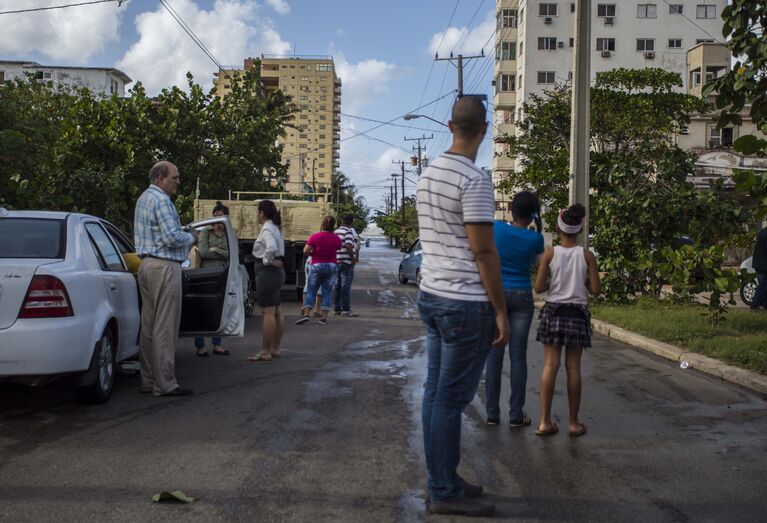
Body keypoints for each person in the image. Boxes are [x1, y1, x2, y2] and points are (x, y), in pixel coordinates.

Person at [415, 96, 509, 517]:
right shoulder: (474, 180)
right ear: (484, 130)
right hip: (464, 302)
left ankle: (444, 480)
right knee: (450, 400)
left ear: (450, 125)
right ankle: (443, 490)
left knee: (436, 394)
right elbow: (484, 252)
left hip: (432, 295)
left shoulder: (427, 175)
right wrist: (501, 310)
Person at [533, 203, 601, 437]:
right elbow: (595, 289)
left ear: (558, 229)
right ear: (580, 230)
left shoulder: (550, 254)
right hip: (577, 314)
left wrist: (555, 283)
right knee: (574, 368)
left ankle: (544, 422)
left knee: (550, 366)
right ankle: (573, 423)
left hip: (554, 312)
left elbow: (539, 287)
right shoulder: (586, 255)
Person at [134, 161, 198, 397]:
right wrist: (191, 236)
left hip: (146, 265)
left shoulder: (144, 198)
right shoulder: (162, 201)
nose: (177, 182)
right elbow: (172, 237)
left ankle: (148, 379)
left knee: (149, 327)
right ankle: (166, 383)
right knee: (165, 327)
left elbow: (160, 233)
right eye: (174, 178)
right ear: (161, 178)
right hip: (164, 267)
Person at [484, 191, 544, 427]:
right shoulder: (535, 239)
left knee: (494, 355)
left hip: (496, 296)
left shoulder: (495, 229)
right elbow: (535, 264)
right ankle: (516, 414)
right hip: (522, 297)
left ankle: (491, 412)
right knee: (518, 357)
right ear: (532, 215)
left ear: (511, 210)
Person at [249, 200, 286, 362]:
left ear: (261, 213)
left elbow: (270, 248)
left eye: (257, 211)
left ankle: (265, 351)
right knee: (277, 311)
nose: (256, 215)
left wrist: (266, 261)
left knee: (268, 313)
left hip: (267, 273)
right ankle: (275, 348)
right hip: (276, 273)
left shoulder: (267, 229)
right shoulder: (275, 227)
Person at [195, 201, 231, 357]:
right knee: (203, 311)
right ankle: (200, 347)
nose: (217, 220)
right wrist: (221, 252)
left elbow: (231, 253)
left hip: (223, 275)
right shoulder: (205, 232)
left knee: (220, 310)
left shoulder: (230, 233)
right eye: (215, 216)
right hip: (206, 275)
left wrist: (216, 249)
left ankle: (217, 345)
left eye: (221, 216)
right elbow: (203, 252)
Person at [297, 216, 342, 326]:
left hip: (316, 265)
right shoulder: (336, 238)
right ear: (333, 226)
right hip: (331, 266)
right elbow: (338, 248)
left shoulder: (315, 236)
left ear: (322, 224)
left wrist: (313, 254)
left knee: (311, 291)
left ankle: (306, 315)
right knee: (326, 292)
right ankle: (324, 318)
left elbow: (305, 251)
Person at [333, 214, 358, 317]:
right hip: (346, 263)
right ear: (351, 222)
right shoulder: (348, 232)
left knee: (338, 286)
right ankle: (346, 309)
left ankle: (337, 308)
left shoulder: (336, 232)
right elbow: (348, 246)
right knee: (345, 287)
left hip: (337, 261)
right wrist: (353, 259)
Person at [750, 227, 767, 310]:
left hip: (760, 263)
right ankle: (754, 305)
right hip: (763, 264)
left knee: (764, 285)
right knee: (763, 285)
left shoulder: (763, 231)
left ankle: (764, 305)